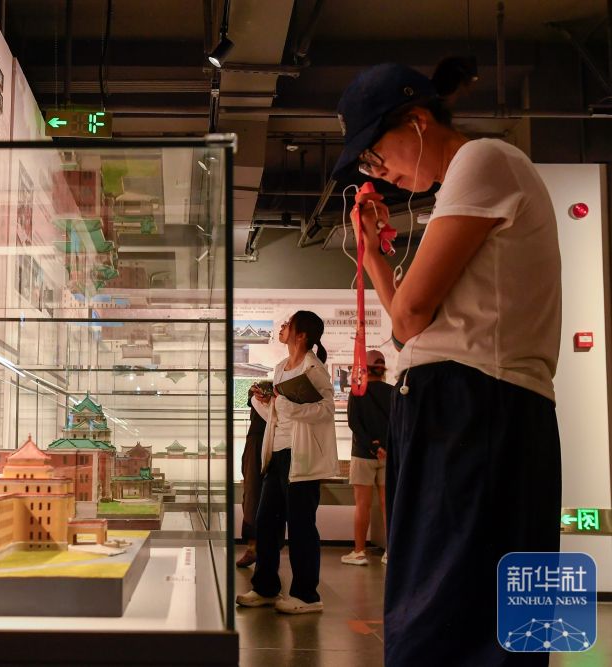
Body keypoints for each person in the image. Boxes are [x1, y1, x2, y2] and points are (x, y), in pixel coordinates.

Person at [334, 63, 562, 665]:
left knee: (438, 612)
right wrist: (372, 254)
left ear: (416, 121)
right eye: (367, 166)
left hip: (471, 406)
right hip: (479, 405)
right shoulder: (475, 177)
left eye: (373, 155)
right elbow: (407, 326)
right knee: (491, 614)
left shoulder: (482, 160)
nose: (376, 172)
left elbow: (409, 318)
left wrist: (388, 276)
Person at [236, 311, 339, 614]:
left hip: (301, 457)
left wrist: (289, 408)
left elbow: (326, 410)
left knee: (301, 525)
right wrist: (263, 402)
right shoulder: (281, 367)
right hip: (278, 453)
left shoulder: (314, 368)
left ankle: (307, 595)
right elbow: (280, 413)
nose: (282, 327)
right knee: (267, 522)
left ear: (301, 334)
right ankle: (266, 587)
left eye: (288, 324)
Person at [341, 349, 391, 567]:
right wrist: (384, 447)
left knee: (363, 505)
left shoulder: (357, 392)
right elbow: (397, 424)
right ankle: (390, 552)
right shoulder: (393, 392)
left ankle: (359, 552)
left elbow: (354, 423)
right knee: (388, 505)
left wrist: (372, 446)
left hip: (362, 454)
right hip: (388, 456)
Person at [237, 380, 272, 568]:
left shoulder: (276, 404)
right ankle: (254, 548)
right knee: (252, 496)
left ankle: (264, 550)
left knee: (267, 498)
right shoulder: (258, 401)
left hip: (272, 442)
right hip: (257, 444)